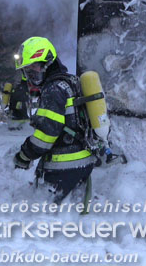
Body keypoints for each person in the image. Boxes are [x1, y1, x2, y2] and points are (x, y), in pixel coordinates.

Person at [12, 36, 98, 203]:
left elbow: (45, 136)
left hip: (62, 166)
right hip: (82, 161)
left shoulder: (53, 90)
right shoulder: (71, 81)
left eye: (34, 69)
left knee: (46, 217)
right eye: (27, 72)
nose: (31, 76)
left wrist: (24, 155)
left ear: (48, 63)